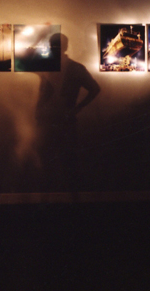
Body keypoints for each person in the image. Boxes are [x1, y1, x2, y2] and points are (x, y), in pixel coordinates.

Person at [35, 33, 100, 191]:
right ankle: (72, 197)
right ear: (66, 46)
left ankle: (48, 197)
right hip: (64, 118)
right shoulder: (75, 68)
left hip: (49, 119)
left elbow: (95, 89)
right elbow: (95, 89)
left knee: (48, 160)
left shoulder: (45, 65)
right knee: (68, 161)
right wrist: (78, 107)